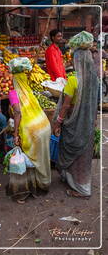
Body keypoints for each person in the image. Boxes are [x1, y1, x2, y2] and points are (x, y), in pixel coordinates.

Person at [53, 42, 99, 198]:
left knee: (71, 151)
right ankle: (78, 181)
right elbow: (95, 104)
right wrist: (95, 121)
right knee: (83, 155)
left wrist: (57, 122)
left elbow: (65, 107)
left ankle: (81, 189)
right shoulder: (95, 81)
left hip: (73, 123)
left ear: (76, 61)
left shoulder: (73, 80)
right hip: (88, 123)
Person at [7, 71, 51, 203]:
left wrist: (15, 133)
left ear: (15, 80)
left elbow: (18, 112)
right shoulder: (28, 91)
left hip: (31, 131)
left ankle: (23, 192)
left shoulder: (14, 93)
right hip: (44, 126)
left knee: (24, 158)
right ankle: (42, 184)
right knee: (41, 157)